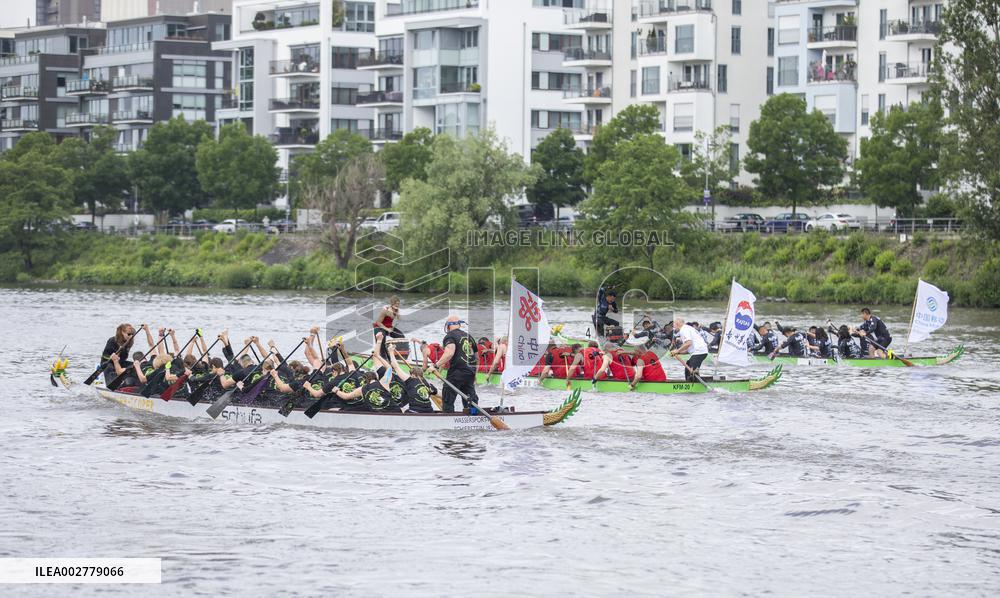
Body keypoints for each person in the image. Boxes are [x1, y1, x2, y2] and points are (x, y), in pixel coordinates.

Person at [427, 315, 479, 413]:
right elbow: (476, 358)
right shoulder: (469, 337)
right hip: (470, 373)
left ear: (448, 326)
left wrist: (435, 365)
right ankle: (473, 416)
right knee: (470, 400)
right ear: (459, 324)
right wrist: (474, 374)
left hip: (456, 373)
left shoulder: (450, 336)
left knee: (448, 399)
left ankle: (448, 419)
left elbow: (449, 353)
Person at [387, 348, 438, 413]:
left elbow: (395, 366)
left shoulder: (411, 380)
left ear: (413, 375)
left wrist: (391, 352)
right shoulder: (427, 383)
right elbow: (438, 394)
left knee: (402, 410)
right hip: (429, 411)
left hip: (415, 411)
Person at [670, 318, 709, 382]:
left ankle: (697, 387)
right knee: (688, 371)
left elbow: (688, 343)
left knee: (691, 373)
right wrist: (678, 353)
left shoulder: (684, 330)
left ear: (677, 323)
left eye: (673, 324)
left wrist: (677, 351)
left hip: (699, 352)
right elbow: (688, 350)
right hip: (699, 352)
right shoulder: (687, 328)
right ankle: (692, 383)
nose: (673, 327)